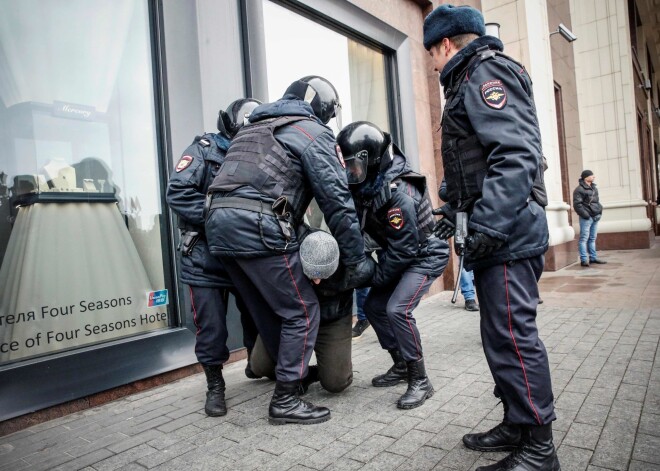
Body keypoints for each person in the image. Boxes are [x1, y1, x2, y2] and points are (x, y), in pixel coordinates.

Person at [424, 4, 559, 470]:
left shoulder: (485, 74)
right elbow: (475, 165)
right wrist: (454, 211)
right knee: (499, 335)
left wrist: (485, 223)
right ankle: (517, 424)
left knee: (514, 338)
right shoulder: (468, 79)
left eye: (432, 54)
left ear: (446, 44)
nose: (432, 64)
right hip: (497, 232)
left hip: (507, 233)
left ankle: (539, 449)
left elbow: (516, 156)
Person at [204, 76, 374, 425]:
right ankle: (285, 399)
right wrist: (356, 259)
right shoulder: (312, 132)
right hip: (258, 226)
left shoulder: (255, 128)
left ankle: (288, 377)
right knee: (301, 311)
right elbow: (337, 202)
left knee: (271, 308)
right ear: (323, 110)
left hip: (218, 226)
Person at [336, 121, 449, 410]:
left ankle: (420, 380)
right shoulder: (368, 186)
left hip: (424, 256)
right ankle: (400, 365)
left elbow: (405, 248)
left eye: (354, 165)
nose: (350, 171)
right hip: (400, 255)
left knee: (397, 309)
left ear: (371, 159)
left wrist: (373, 277)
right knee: (374, 308)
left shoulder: (399, 193)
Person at [166, 98, 262, 417]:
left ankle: (258, 364)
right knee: (212, 329)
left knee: (257, 314)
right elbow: (178, 192)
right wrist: (217, 219)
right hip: (204, 257)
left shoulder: (257, 154)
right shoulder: (204, 149)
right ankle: (215, 386)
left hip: (241, 255)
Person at [250, 229, 356, 394]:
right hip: (292, 318)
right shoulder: (287, 253)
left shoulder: (350, 264)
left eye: (323, 276)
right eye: (312, 275)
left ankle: (323, 367)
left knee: (337, 382)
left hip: (330, 318)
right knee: (259, 367)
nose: (317, 281)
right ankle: (301, 370)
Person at [438, 179, 479, 312]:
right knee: (463, 256)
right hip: (461, 218)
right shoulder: (455, 167)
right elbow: (442, 192)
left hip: (480, 217)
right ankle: (469, 297)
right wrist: (457, 188)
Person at [573, 170, 606, 267]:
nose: (593, 176)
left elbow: (597, 202)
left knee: (592, 238)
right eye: (591, 175)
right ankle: (584, 260)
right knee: (584, 238)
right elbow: (577, 205)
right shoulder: (579, 189)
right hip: (586, 218)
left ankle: (593, 258)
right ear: (585, 177)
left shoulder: (594, 188)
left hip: (596, 216)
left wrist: (600, 211)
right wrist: (586, 215)